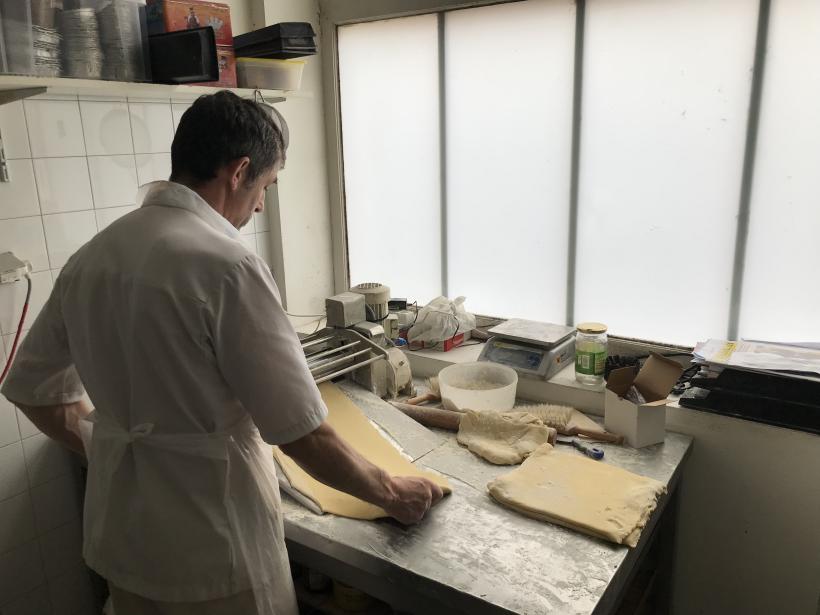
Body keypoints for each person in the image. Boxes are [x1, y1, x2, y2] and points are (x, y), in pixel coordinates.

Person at [0, 91, 444, 615]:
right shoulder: (227, 266)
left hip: (125, 540)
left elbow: (32, 390)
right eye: (266, 186)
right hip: (216, 547)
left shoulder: (93, 256)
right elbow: (303, 433)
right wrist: (393, 492)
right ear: (239, 171)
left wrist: (109, 448)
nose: (260, 205)